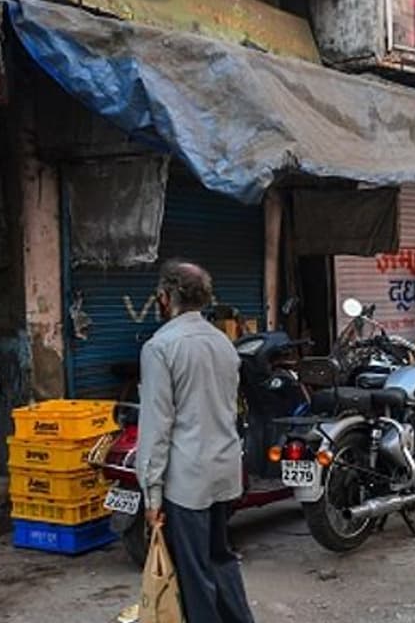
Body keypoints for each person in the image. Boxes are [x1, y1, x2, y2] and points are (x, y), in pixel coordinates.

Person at [138, 260, 255, 623]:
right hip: (224, 467)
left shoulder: (161, 347)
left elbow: (157, 426)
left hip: (187, 478)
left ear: (166, 297)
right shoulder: (223, 342)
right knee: (221, 558)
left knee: (194, 572)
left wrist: (151, 493)